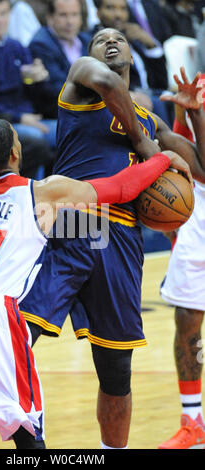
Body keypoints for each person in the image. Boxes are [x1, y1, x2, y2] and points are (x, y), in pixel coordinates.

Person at [0, 119, 178, 449]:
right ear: (16, 153)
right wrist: (163, 158)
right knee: (28, 438)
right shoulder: (42, 193)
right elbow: (122, 188)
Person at [19, 29, 205, 449]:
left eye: (120, 37)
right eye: (101, 37)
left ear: (133, 57)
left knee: (117, 368)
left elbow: (202, 169)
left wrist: (194, 115)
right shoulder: (83, 78)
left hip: (122, 237)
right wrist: (145, 145)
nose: (111, 40)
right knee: (17, 337)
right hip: (72, 220)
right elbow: (105, 81)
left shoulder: (149, 118)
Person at [158, 73, 205, 449]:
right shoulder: (199, 82)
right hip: (200, 206)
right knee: (187, 319)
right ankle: (193, 422)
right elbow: (191, 159)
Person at [0, 0, 57, 149]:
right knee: (36, 138)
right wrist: (19, 118)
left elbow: (33, 90)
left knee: (74, 132)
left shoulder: (16, 46)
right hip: (2, 122)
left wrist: (39, 78)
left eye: (3, 14)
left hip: (32, 116)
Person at [92, 0, 172, 125]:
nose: (118, 14)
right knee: (158, 103)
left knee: (178, 98)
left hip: (151, 92)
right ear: (98, 13)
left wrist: (150, 44)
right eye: (110, 8)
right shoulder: (95, 41)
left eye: (123, 9)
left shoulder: (133, 37)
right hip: (127, 96)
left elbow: (162, 81)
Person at [28, 0, 91, 119]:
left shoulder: (86, 40)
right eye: (63, 15)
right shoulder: (41, 45)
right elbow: (61, 89)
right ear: (50, 18)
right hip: (61, 115)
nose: (70, 22)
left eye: (74, 14)